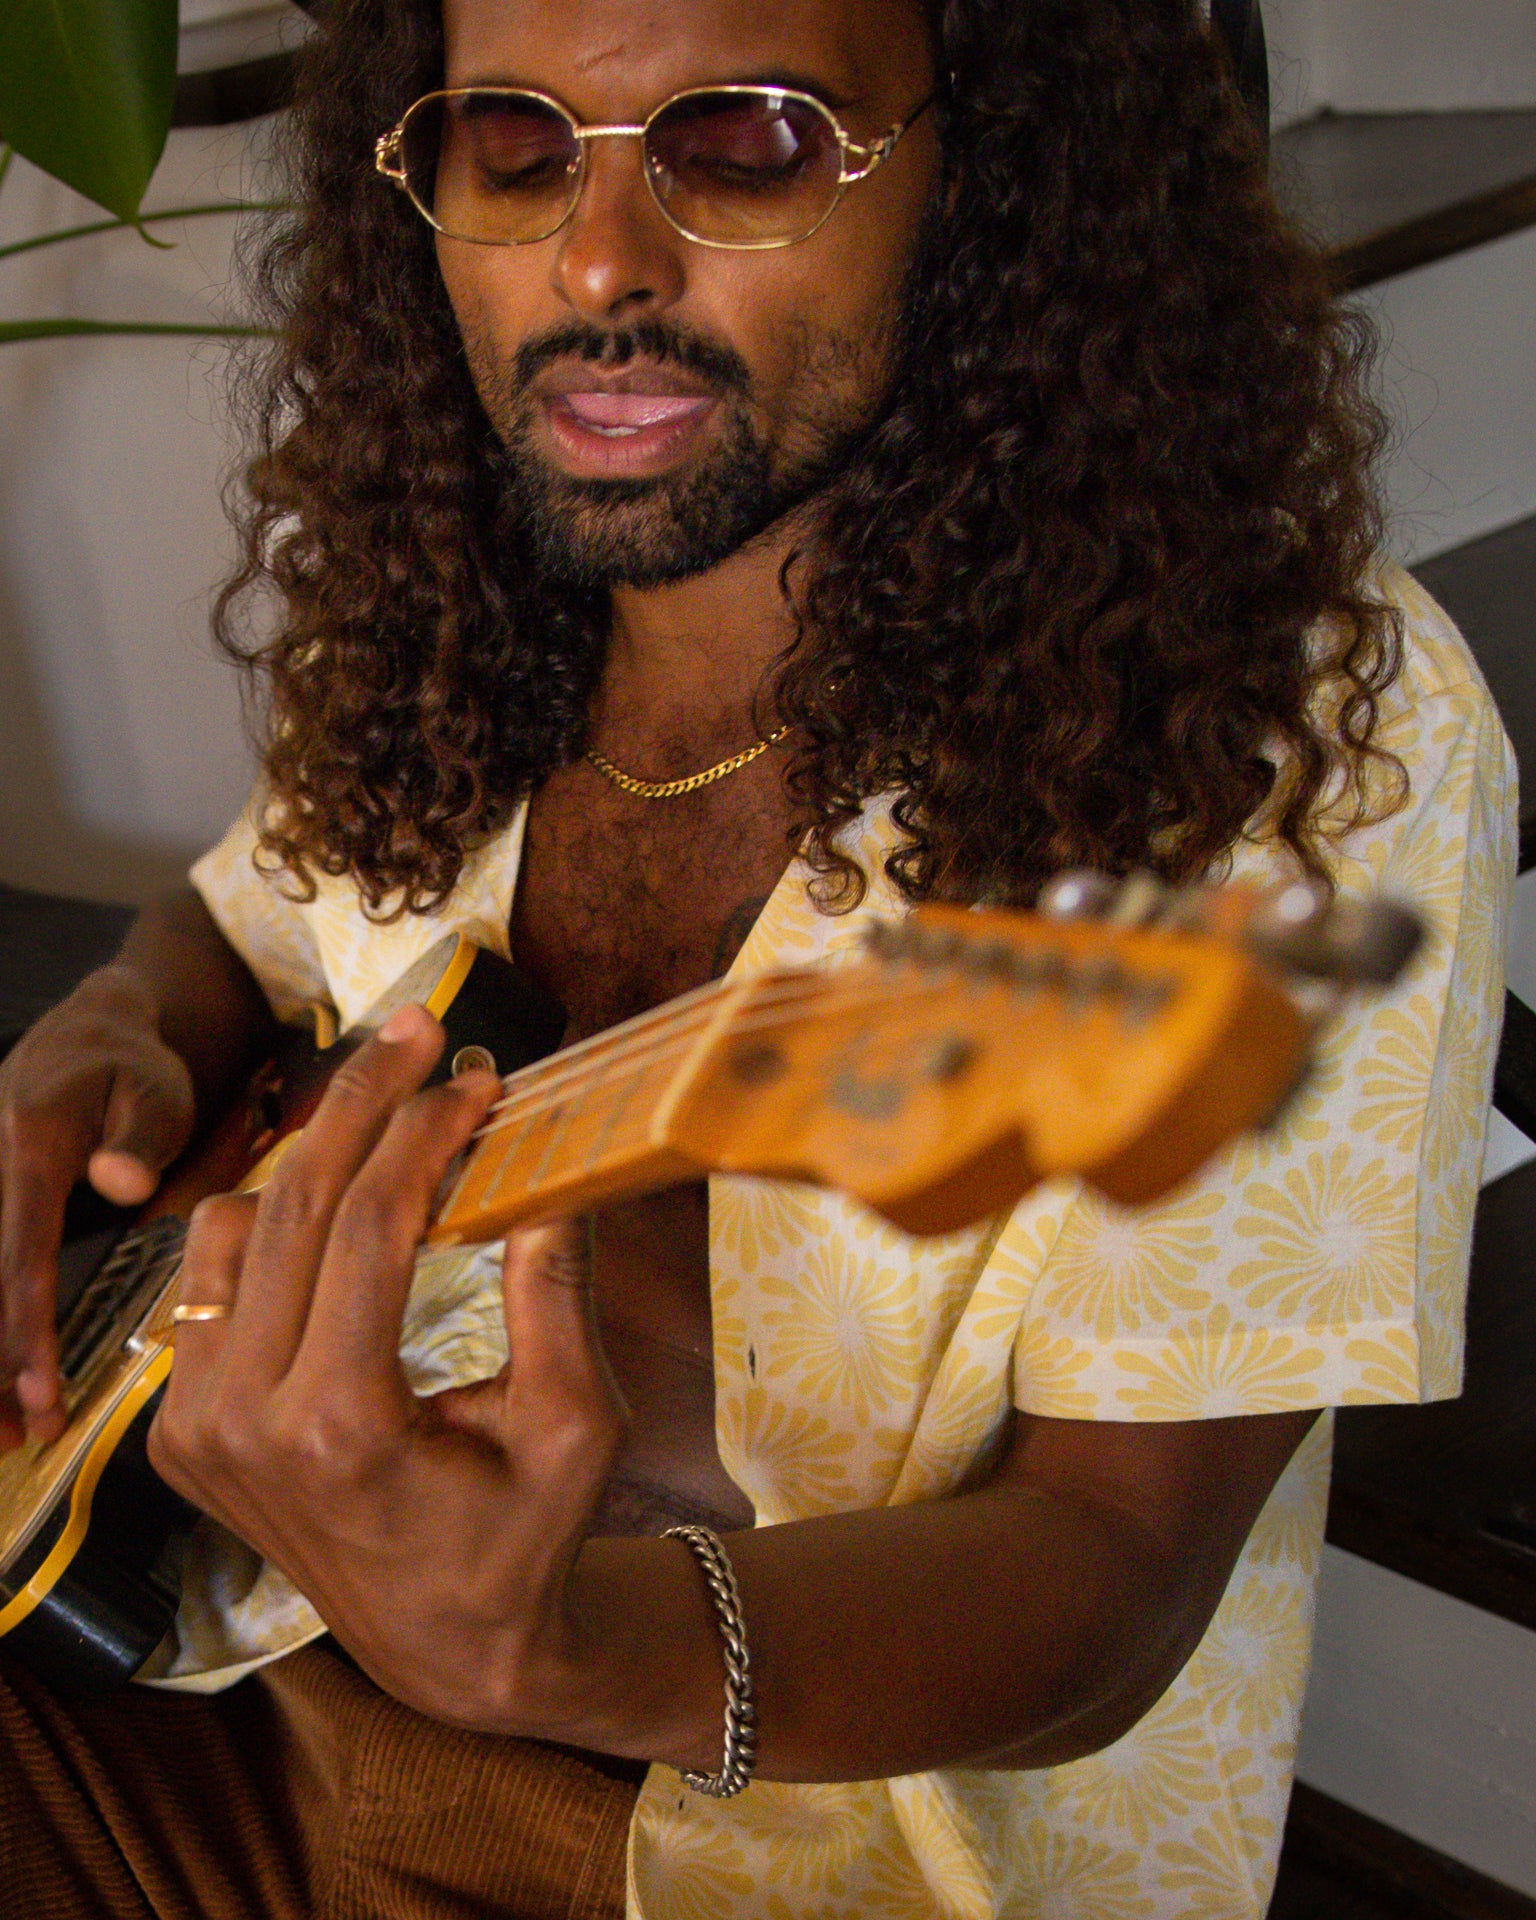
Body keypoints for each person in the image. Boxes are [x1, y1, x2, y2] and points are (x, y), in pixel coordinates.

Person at [0, 0, 1514, 1914]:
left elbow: (1114, 1576)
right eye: (516, 146)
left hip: (741, 1836)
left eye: (745, 143)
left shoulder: (1274, 737)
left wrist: (563, 1651)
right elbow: (243, 918)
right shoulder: (456, 567)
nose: (597, 263)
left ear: (994, 170)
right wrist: (118, 1020)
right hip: (192, 1668)